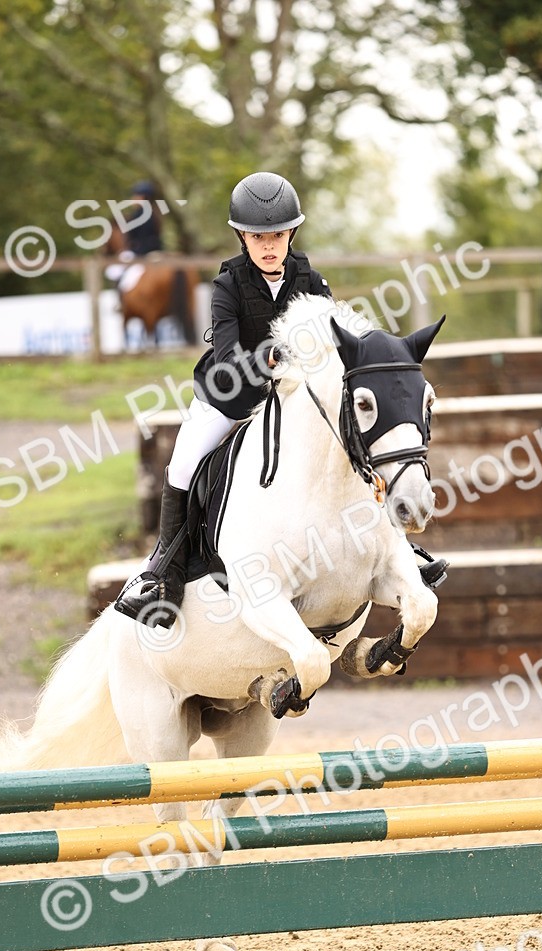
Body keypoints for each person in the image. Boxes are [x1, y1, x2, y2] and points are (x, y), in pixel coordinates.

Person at [115, 171, 330, 626]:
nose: (269, 245)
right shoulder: (228, 286)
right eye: (257, 236)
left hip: (292, 401)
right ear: (242, 237)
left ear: (291, 232)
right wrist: (274, 356)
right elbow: (230, 358)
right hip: (229, 398)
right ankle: (163, 574)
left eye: (277, 235)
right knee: (182, 464)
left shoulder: (311, 278)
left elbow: (333, 339)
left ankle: (396, 548)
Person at [124, 181, 164, 256]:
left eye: (135, 196)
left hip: (141, 252)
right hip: (155, 250)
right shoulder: (155, 213)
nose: (133, 199)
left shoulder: (140, 214)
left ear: (143, 197)